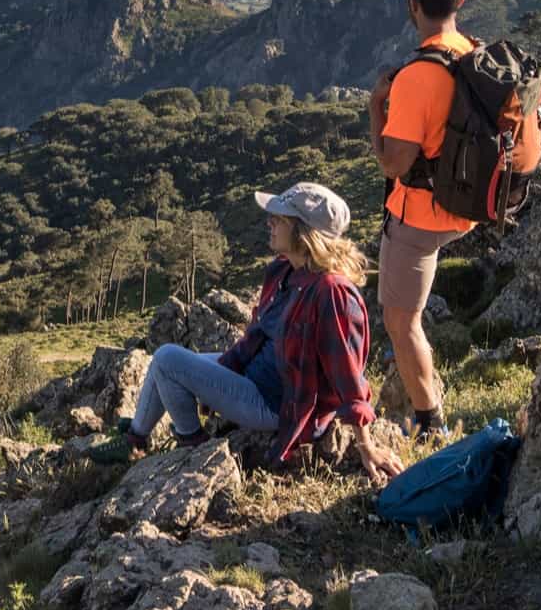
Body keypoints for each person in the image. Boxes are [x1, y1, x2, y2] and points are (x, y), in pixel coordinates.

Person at [91, 181, 404, 486]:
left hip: (275, 403)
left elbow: (348, 375)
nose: (269, 223)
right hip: (255, 378)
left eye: (278, 219)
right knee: (170, 365)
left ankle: (192, 449)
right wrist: (224, 372)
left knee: (167, 359)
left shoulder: (331, 293)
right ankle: (134, 438)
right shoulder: (285, 271)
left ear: (302, 231)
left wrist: (366, 446)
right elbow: (255, 337)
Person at [369, 0, 474, 443]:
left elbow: (393, 163)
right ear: (460, 3)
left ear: (413, 5)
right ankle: (426, 397)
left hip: (421, 216)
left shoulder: (416, 77)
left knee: (400, 318)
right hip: (468, 206)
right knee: (408, 315)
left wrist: (376, 108)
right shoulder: (474, 54)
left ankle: (430, 421)